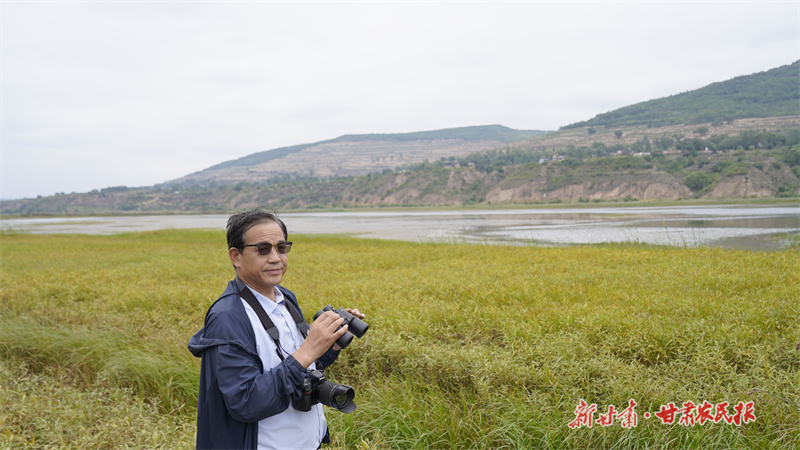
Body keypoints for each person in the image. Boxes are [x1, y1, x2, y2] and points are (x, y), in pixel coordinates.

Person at [188, 208, 364, 449]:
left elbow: (301, 367)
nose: (275, 258)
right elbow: (245, 402)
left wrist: (329, 344)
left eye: (281, 248)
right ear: (235, 256)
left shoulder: (285, 299)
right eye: (262, 249)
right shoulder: (228, 317)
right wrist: (308, 350)